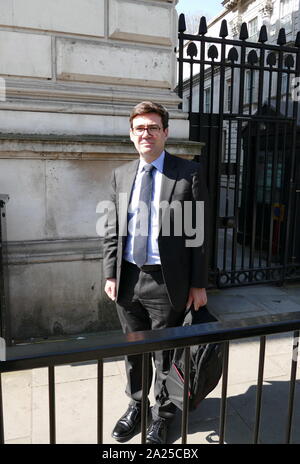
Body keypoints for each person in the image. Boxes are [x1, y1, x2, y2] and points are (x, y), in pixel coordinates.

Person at [102, 101, 208, 444]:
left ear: (165, 132)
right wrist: (111, 273)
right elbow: (112, 230)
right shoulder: (120, 174)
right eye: (139, 128)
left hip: (167, 282)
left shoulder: (188, 173)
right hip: (128, 278)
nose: (145, 133)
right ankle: (136, 405)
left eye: (152, 127)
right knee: (134, 352)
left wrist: (198, 284)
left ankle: (163, 414)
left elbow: (199, 234)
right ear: (131, 135)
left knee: (165, 354)